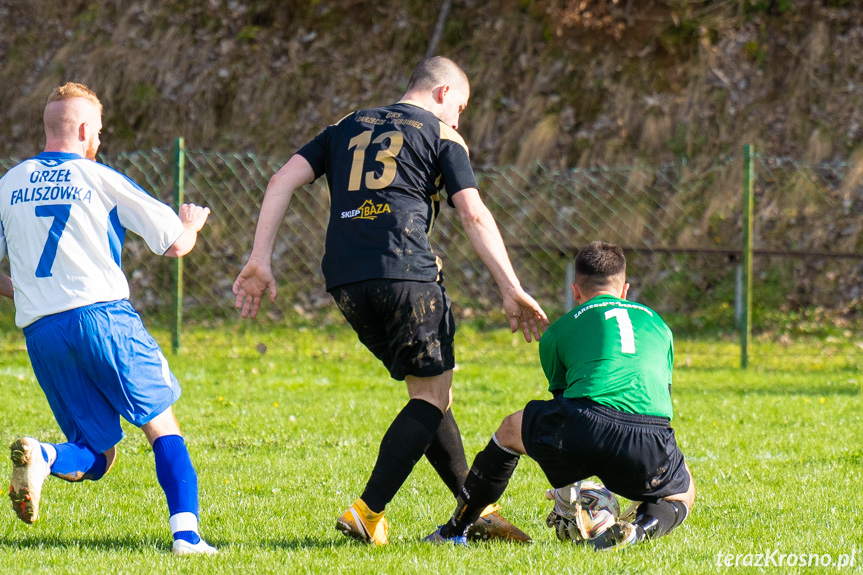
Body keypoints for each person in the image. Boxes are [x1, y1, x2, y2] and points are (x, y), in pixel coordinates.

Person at [233, 56, 549, 545]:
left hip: (345, 281)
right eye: (460, 106)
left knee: (430, 394)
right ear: (442, 94)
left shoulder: (343, 126)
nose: (460, 119)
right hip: (407, 274)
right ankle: (368, 510)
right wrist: (511, 286)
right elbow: (473, 213)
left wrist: (260, 259)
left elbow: (280, 181)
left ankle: (476, 509)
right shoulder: (443, 135)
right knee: (430, 396)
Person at [0, 82, 217, 556]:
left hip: (42, 332)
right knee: (163, 426)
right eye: (98, 130)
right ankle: (187, 536)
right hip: (103, 319)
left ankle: (46, 454)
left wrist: (31, 293)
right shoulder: (101, 177)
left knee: (97, 456)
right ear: (84, 129)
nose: (99, 138)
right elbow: (175, 244)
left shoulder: (8, 184)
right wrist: (192, 223)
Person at [426, 241, 695, 549]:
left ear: (575, 291)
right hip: (651, 434)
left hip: (587, 423)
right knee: (683, 488)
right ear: (625, 290)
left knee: (509, 431)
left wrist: (568, 487)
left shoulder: (560, 330)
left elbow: (563, 404)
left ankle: (456, 529)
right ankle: (640, 530)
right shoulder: (661, 326)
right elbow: (662, 396)